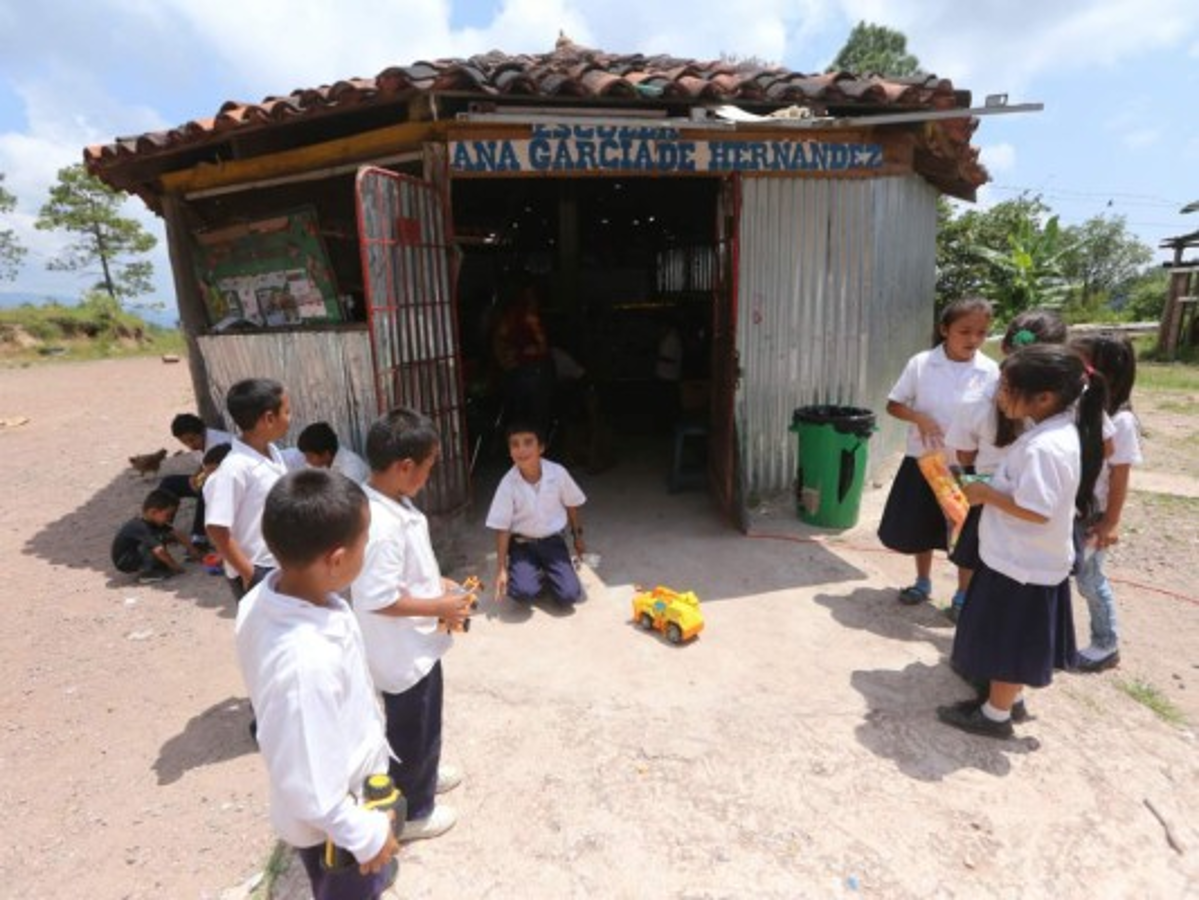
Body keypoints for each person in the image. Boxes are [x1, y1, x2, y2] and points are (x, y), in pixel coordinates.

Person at [235, 469, 400, 899]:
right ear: (338, 559)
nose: (368, 548)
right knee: (346, 889)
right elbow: (312, 784)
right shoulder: (304, 663)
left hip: (348, 789)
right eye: (365, 541)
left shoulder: (265, 596)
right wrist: (365, 836)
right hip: (336, 826)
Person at [938, 345, 1107, 738]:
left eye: (1007, 388)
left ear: (1044, 397)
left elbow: (1037, 509)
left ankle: (994, 718)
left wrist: (985, 496)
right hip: (1018, 559)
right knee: (1007, 638)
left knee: (1009, 642)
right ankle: (1005, 701)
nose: (999, 396)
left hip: (1023, 565)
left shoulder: (1045, 447)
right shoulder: (1049, 434)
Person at [349, 407, 473, 842]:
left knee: (424, 722)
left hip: (417, 645)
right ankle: (415, 810)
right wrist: (438, 604)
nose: (428, 476)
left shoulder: (393, 502)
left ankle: (424, 771)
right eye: (427, 468)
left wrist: (439, 584)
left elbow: (404, 573)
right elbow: (376, 596)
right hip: (403, 654)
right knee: (413, 727)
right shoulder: (380, 525)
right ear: (404, 467)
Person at [943, 309, 1068, 621]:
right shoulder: (1061, 405)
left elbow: (965, 453)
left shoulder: (977, 399)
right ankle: (983, 612)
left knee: (977, 553)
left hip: (992, 490)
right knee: (999, 559)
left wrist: (974, 487)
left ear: (1004, 348)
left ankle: (968, 605)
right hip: (1018, 497)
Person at [878, 297, 999, 606]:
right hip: (926, 461)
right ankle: (922, 582)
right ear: (944, 329)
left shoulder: (991, 371)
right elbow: (894, 404)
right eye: (965, 331)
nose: (973, 339)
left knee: (965, 531)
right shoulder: (921, 364)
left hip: (967, 466)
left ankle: (961, 595)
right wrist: (918, 417)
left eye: (981, 333)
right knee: (922, 525)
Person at [1070, 333, 1141, 673]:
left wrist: (1110, 522)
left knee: (1090, 579)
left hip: (1093, 515)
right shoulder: (1085, 407)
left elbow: (1120, 476)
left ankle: (1105, 643)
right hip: (1075, 509)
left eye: (1079, 361)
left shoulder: (1122, 421)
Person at [204, 378, 292, 600]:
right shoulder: (234, 468)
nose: (290, 418)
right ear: (269, 419)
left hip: (279, 562)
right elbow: (216, 528)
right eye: (287, 411)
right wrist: (250, 574)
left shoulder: (273, 453)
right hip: (257, 569)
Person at [486, 421, 587, 607]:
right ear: (509, 451)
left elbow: (572, 505)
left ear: (541, 447)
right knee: (522, 593)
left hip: (553, 541)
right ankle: (535, 572)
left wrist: (577, 537)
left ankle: (551, 571)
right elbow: (503, 526)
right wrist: (501, 569)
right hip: (522, 545)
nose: (521, 449)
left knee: (569, 596)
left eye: (528, 442)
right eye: (514, 444)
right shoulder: (508, 483)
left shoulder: (558, 473)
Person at [491, 279, 555, 434]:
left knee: (521, 415)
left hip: (518, 370)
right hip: (532, 371)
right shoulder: (528, 317)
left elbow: (499, 340)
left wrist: (506, 359)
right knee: (536, 415)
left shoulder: (509, 317)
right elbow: (542, 347)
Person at [159, 413, 234, 545]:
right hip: (209, 477)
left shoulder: (222, 442)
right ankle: (161, 527)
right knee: (169, 483)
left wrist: (204, 480)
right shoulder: (200, 443)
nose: (190, 445)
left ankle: (199, 537)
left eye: (192, 440)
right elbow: (204, 462)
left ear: (202, 431)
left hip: (229, 487)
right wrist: (195, 476)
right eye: (185, 442)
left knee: (205, 488)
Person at [111, 488, 201, 583]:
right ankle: (148, 573)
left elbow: (176, 533)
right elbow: (159, 550)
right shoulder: (141, 527)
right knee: (153, 545)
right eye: (168, 515)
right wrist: (175, 566)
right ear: (153, 512)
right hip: (125, 561)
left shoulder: (154, 522)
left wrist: (193, 550)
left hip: (135, 552)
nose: (170, 519)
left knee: (163, 537)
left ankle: (156, 565)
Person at [297, 421, 370, 484]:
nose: (306, 460)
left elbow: (351, 498)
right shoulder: (322, 464)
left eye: (310, 457)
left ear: (326, 454)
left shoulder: (351, 469)